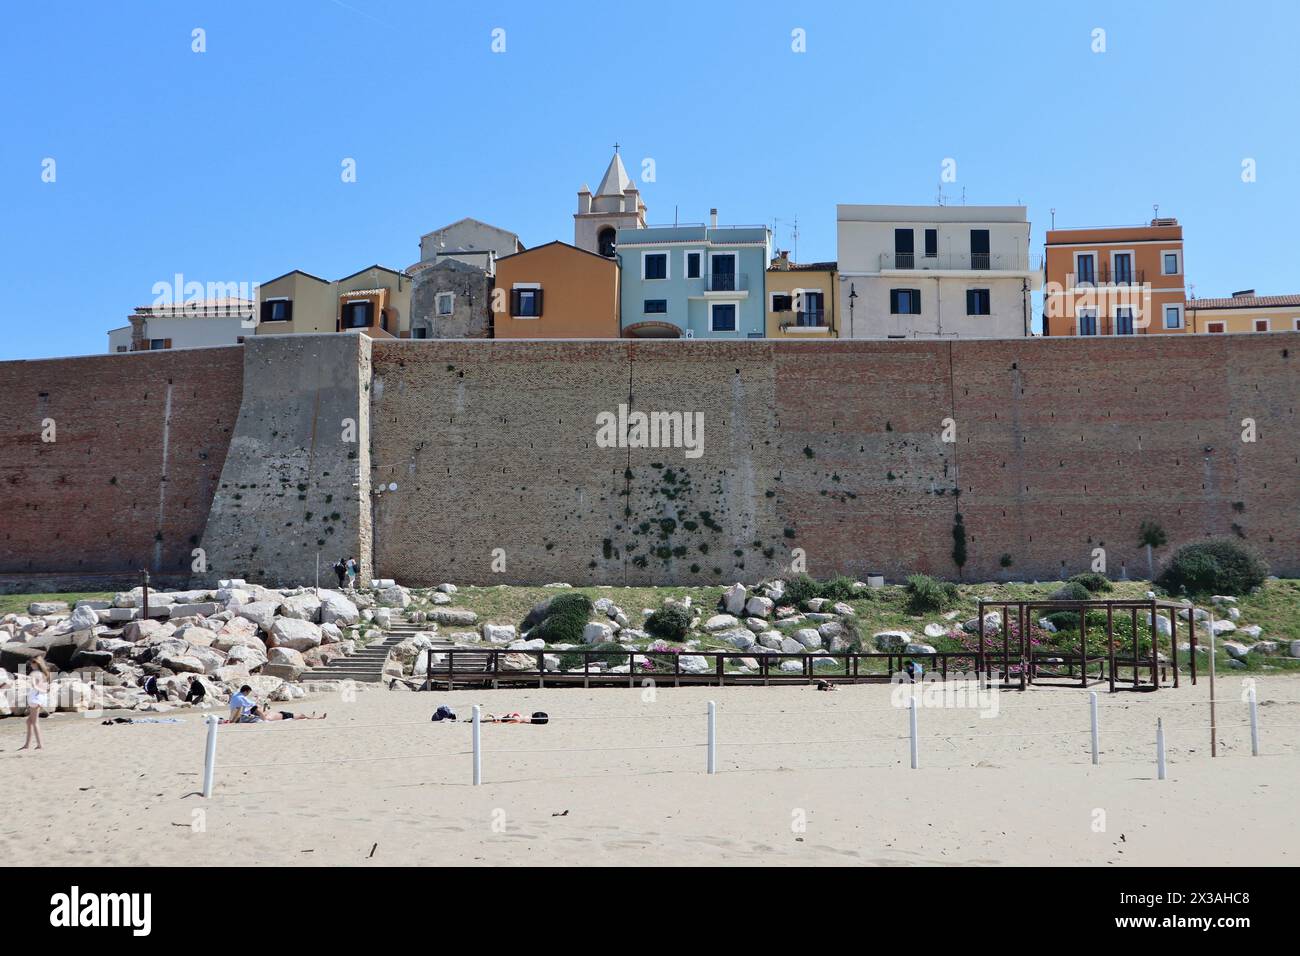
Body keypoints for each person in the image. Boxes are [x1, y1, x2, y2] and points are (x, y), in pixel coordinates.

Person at [20, 656, 52, 751]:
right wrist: (43, 692)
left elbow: (34, 685)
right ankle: (27, 745)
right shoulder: (43, 674)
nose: (30, 665)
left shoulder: (34, 673)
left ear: (35, 664)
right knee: (29, 721)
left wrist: (40, 691)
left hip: (35, 698)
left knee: (34, 722)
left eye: (31, 663)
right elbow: (46, 687)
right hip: (40, 698)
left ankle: (40, 744)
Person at [251, 705, 326, 722]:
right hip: (284, 716)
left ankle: (310, 716)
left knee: (301, 715)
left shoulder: (263, 714)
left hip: (282, 713)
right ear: (257, 712)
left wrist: (263, 707)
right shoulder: (264, 717)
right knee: (301, 715)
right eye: (259, 709)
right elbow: (264, 719)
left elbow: (263, 712)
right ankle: (317, 718)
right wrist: (259, 711)